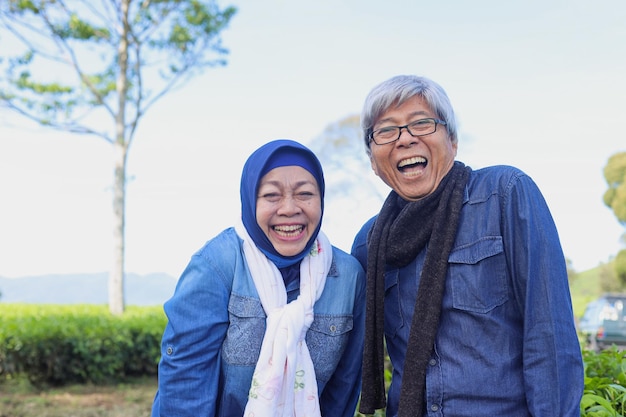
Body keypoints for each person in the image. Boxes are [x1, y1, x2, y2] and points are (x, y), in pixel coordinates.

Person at [351, 75, 584, 417]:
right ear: (373, 159)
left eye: (421, 123)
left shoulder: (505, 194)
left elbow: (550, 336)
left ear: (453, 140)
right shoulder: (369, 243)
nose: (405, 139)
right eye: (387, 130)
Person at [151, 139, 365, 417]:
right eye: (271, 196)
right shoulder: (217, 264)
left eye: (304, 194)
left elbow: (343, 391)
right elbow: (185, 387)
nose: (289, 208)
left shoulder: (347, 277)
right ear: (250, 200)